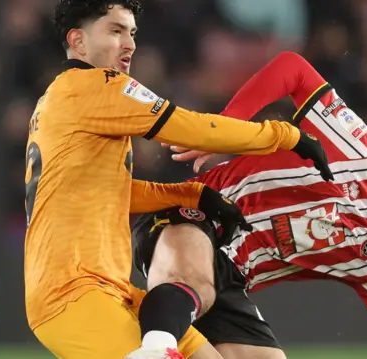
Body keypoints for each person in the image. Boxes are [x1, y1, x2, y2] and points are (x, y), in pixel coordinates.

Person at [131, 52, 367, 359]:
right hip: (191, 211)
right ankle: (154, 348)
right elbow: (292, 69)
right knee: (196, 282)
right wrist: (227, 127)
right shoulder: (360, 155)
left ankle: (154, 340)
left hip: (229, 274)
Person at [26, 1, 333, 357]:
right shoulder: (95, 87)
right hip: (72, 295)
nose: (130, 44)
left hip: (106, 289)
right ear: (78, 42)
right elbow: (190, 128)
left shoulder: (61, 99)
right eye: (115, 31)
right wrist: (284, 136)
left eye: (132, 33)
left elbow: (110, 193)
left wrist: (194, 196)